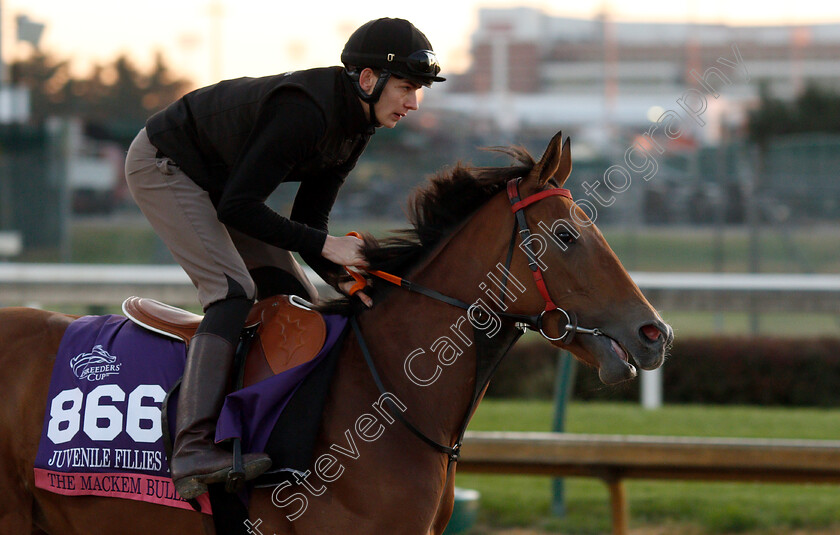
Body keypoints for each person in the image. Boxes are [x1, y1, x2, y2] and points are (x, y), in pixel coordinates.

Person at [124, 17, 445, 500]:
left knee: (296, 300)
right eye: (406, 87)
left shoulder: (358, 127)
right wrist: (327, 247)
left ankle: (262, 427)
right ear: (367, 79)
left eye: (418, 90)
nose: (414, 103)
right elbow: (240, 208)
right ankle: (192, 448)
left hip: (222, 185)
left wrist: (348, 280)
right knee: (232, 293)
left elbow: (310, 224)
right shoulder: (305, 113)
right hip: (166, 164)